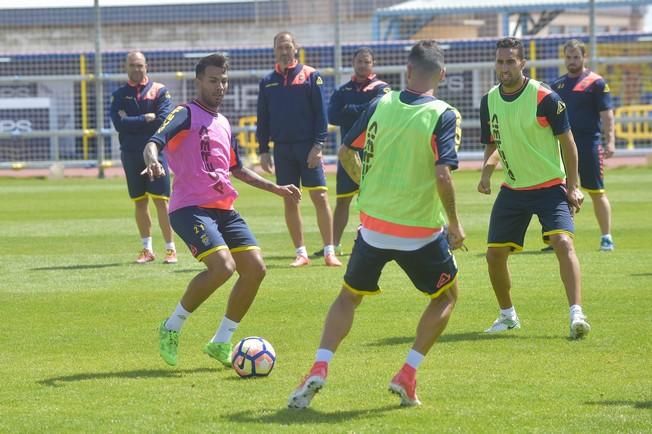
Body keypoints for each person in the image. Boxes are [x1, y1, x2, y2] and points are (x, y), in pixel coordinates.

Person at [288, 40, 465, 409]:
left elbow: (346, 152)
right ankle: (408, 373)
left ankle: (320, 365)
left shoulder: (381, 102)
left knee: (349, 297)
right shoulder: (444, 114)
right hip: (420, 231)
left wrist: (364, 183)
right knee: (446, 297)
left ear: (407, 70)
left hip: (373, 227)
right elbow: (443, 174)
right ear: (442, 75)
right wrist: (455, 224)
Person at [143, 54, 301, 367]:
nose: (220, 86)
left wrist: (277, 189)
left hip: (224, 209)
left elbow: (237, 169)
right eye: (213, 80)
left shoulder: (223, 122)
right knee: (223, 267)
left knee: (255, 269)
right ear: (199, 81)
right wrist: (152, 159)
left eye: (224, 81)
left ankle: (221, 342)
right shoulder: (184, 113)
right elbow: (154, 141)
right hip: (190, 208)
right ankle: (171, 326)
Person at [477, 37, 591, 339]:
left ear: (522, 63)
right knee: (494, 255)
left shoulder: (545, 98)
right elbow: (493, 142)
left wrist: (572, 187)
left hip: (550, 186)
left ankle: (576, 313)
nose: (504, 67)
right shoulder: (488, 100)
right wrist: (486, 171)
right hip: (513, 189)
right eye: (500, 61)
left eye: (510, 61)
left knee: (563, 243)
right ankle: (507, 316)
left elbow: (568, 142)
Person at [256, 31, 341, 268]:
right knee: (290, 200)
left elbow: (320, 115)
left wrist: (318, 145)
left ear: (295, 48)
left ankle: (329, 251)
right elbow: (263, 118)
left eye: (287, 46)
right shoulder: (267, 81)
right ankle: (301, 253)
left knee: (320, 196)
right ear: (274, 50)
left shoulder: (311, 76)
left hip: (308, 147)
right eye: (279, 47)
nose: (284, 51)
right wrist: (263, 150)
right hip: (282, 149)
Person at [312, 47, 390, 258]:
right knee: (343, 200)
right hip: (348, 153)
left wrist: (351, 111)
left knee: (377, 199)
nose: (363, 65)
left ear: (373, 64)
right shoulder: (343, 90)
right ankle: (333, 245)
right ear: (353, 63)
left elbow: (379, 111)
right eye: (359, 61)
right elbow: (333, 117)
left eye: (367, 61)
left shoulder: (382, 89)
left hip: (374, 153)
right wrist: (362, 110)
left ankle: (380, 243)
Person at [110, 51, 177, 264]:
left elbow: (163, 120)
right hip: (130, 153)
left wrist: (132, 121)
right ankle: (147, 250)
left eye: (140, 65)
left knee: (161, 202)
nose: (136, 69)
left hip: (157, 153)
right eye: (132, 65)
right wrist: (144, 118)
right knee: (140, 202)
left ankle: (170, 249)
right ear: (126, 67)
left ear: (147, 66)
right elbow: (118, 123)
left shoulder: (160, 91)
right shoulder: (119, 94)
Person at [550, 39, 616, 251]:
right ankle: (562, 238)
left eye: (576, 57)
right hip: (563, 145)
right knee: (562, 191)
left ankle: (606, 237)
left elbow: (607, 115)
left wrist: (610, 140)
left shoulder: (596, 83)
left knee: (597, 191)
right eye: (568, 57)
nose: (572, 61)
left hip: (589, 144)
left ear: (584, 57)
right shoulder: (557, 85)